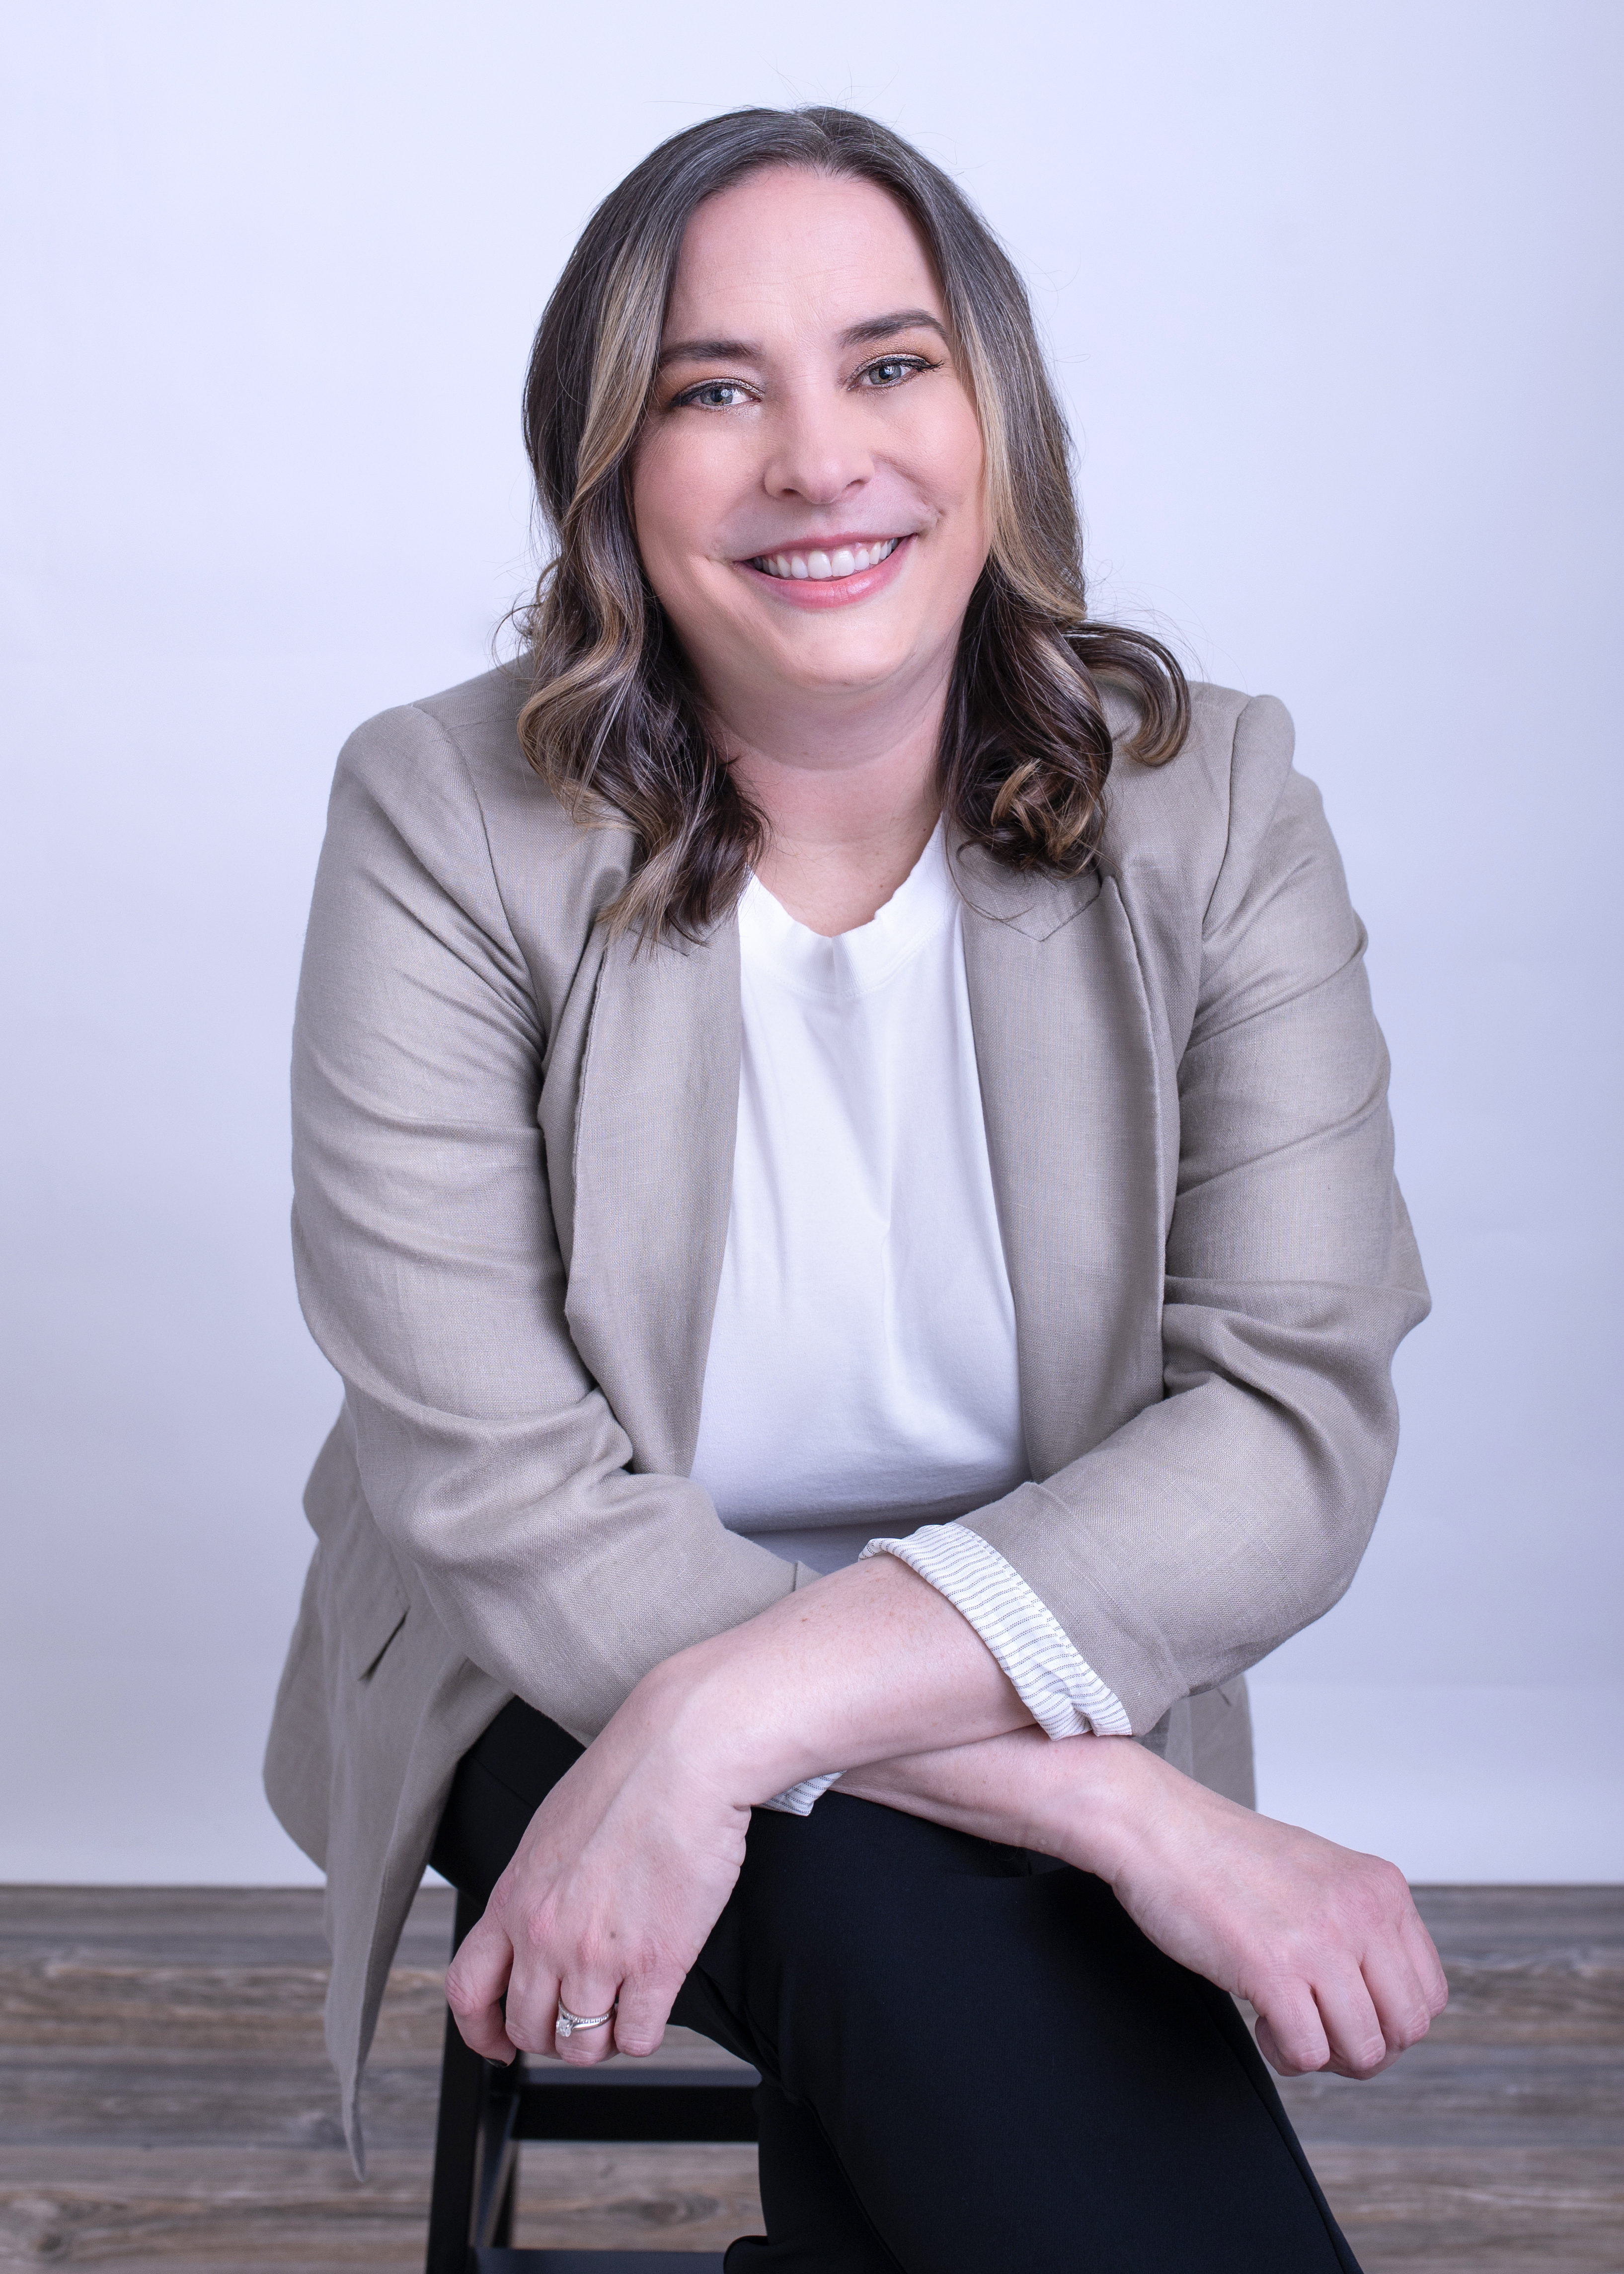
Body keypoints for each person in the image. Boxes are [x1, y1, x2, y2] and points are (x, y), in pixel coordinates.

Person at [265, 104, 1443, 2272]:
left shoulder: (1220, 806)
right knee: (950, 1938)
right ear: (609, 466)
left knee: (927, 1965)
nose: (821, 459)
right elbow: (498, 1502)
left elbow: (1291, 1426)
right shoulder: (443, 820)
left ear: (996, 420)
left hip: (1034, 1636)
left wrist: (736, 1727)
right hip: (558, 1669)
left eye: (889, 365)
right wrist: (1118, 1806)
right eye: (719, 389)